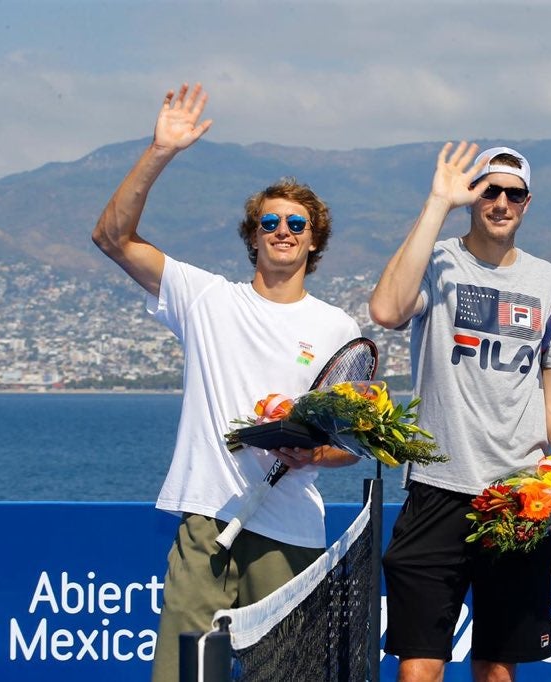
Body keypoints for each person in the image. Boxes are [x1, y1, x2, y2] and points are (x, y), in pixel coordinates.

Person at [91, 82, 362, 682]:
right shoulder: (205, 299)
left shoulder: (338, 326)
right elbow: (112, 237)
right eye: (270, 221)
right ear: (253, 235)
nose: (283, 229)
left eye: (297, 222)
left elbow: (353, 444)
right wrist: (160, 151)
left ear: (314, 239)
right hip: (207, 528)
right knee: (195, 677)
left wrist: (310, 450)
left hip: (289, 536)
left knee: (284, 678)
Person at [369, 142, 551, 682]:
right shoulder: (437, 260)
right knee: (418, 668)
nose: (500, 202)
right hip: (437, 487)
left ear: (527, 202)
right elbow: (385, 310)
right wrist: (437, 203)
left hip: (518, 498)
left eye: (512, 193)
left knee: (497, 668)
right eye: (488, 190)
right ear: (473, 197)